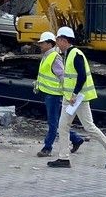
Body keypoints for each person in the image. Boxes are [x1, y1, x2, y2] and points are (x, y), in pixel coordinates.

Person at [47, 28, 106, 170]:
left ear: (64, 40)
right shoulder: (67, 54)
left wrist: (74, 94)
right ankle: (63, 158)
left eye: (58, 40)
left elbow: (82, 76)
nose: (56, 43)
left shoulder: (75, 54)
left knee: (89, 127)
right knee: (63, 126)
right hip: (70, 99)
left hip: (78, 99)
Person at [33, 30, 84, 158]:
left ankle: (47, 147)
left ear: (50, 44)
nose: (40, 45)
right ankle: (76, 139)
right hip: (49, 93)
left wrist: (68, 92)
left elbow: (63, 76)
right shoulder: (47, 55)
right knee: (56, 122)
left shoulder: (54, 57)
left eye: (42, 43)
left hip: (54, 95)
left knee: (53, 122)